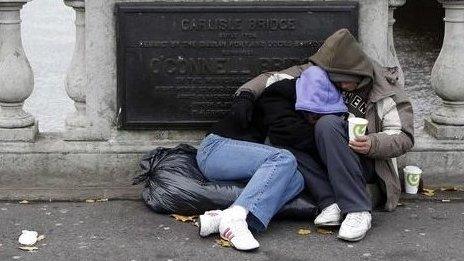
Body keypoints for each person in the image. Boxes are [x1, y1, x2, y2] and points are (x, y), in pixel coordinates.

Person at [230, 28, 414, 241]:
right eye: (337, 81)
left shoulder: (386, 91)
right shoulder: (322, 71)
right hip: (325, 155)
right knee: (281, 137)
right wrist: (246, 94)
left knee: (327, 123)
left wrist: (373, 143)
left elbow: (404, 136)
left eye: (347, 81)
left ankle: (357, 210)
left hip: (365, 162)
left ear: (360, 73)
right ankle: (330, 202)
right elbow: (274, 78)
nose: (342, 86)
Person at [195, 66, 350, 251]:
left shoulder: (303, 108)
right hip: (216, 149)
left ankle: (228, 217)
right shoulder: (278, 99)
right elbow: (292, 136)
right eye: (316, 115)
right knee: (285, 158)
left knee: (298, 179)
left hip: (244, 161)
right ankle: (234, 220)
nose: (317, 121)